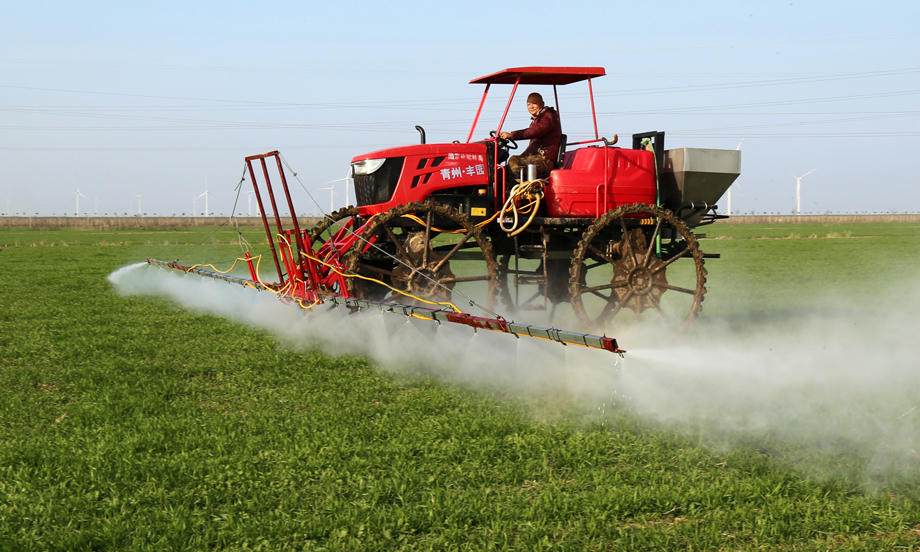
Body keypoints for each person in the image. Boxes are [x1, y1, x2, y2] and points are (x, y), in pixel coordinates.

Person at [499, 92, 562, 179]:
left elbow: (536, 131)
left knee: (515, 161)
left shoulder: (548, 117)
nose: (531, 106)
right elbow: (533, 145)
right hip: (537, 157)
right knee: (500, 172)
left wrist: (512, 135)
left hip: (546, 160)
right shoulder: (538, 119)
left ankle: (517, 186)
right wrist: (523, 155)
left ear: (542, 104)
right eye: (528, 104)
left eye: (534, 103)